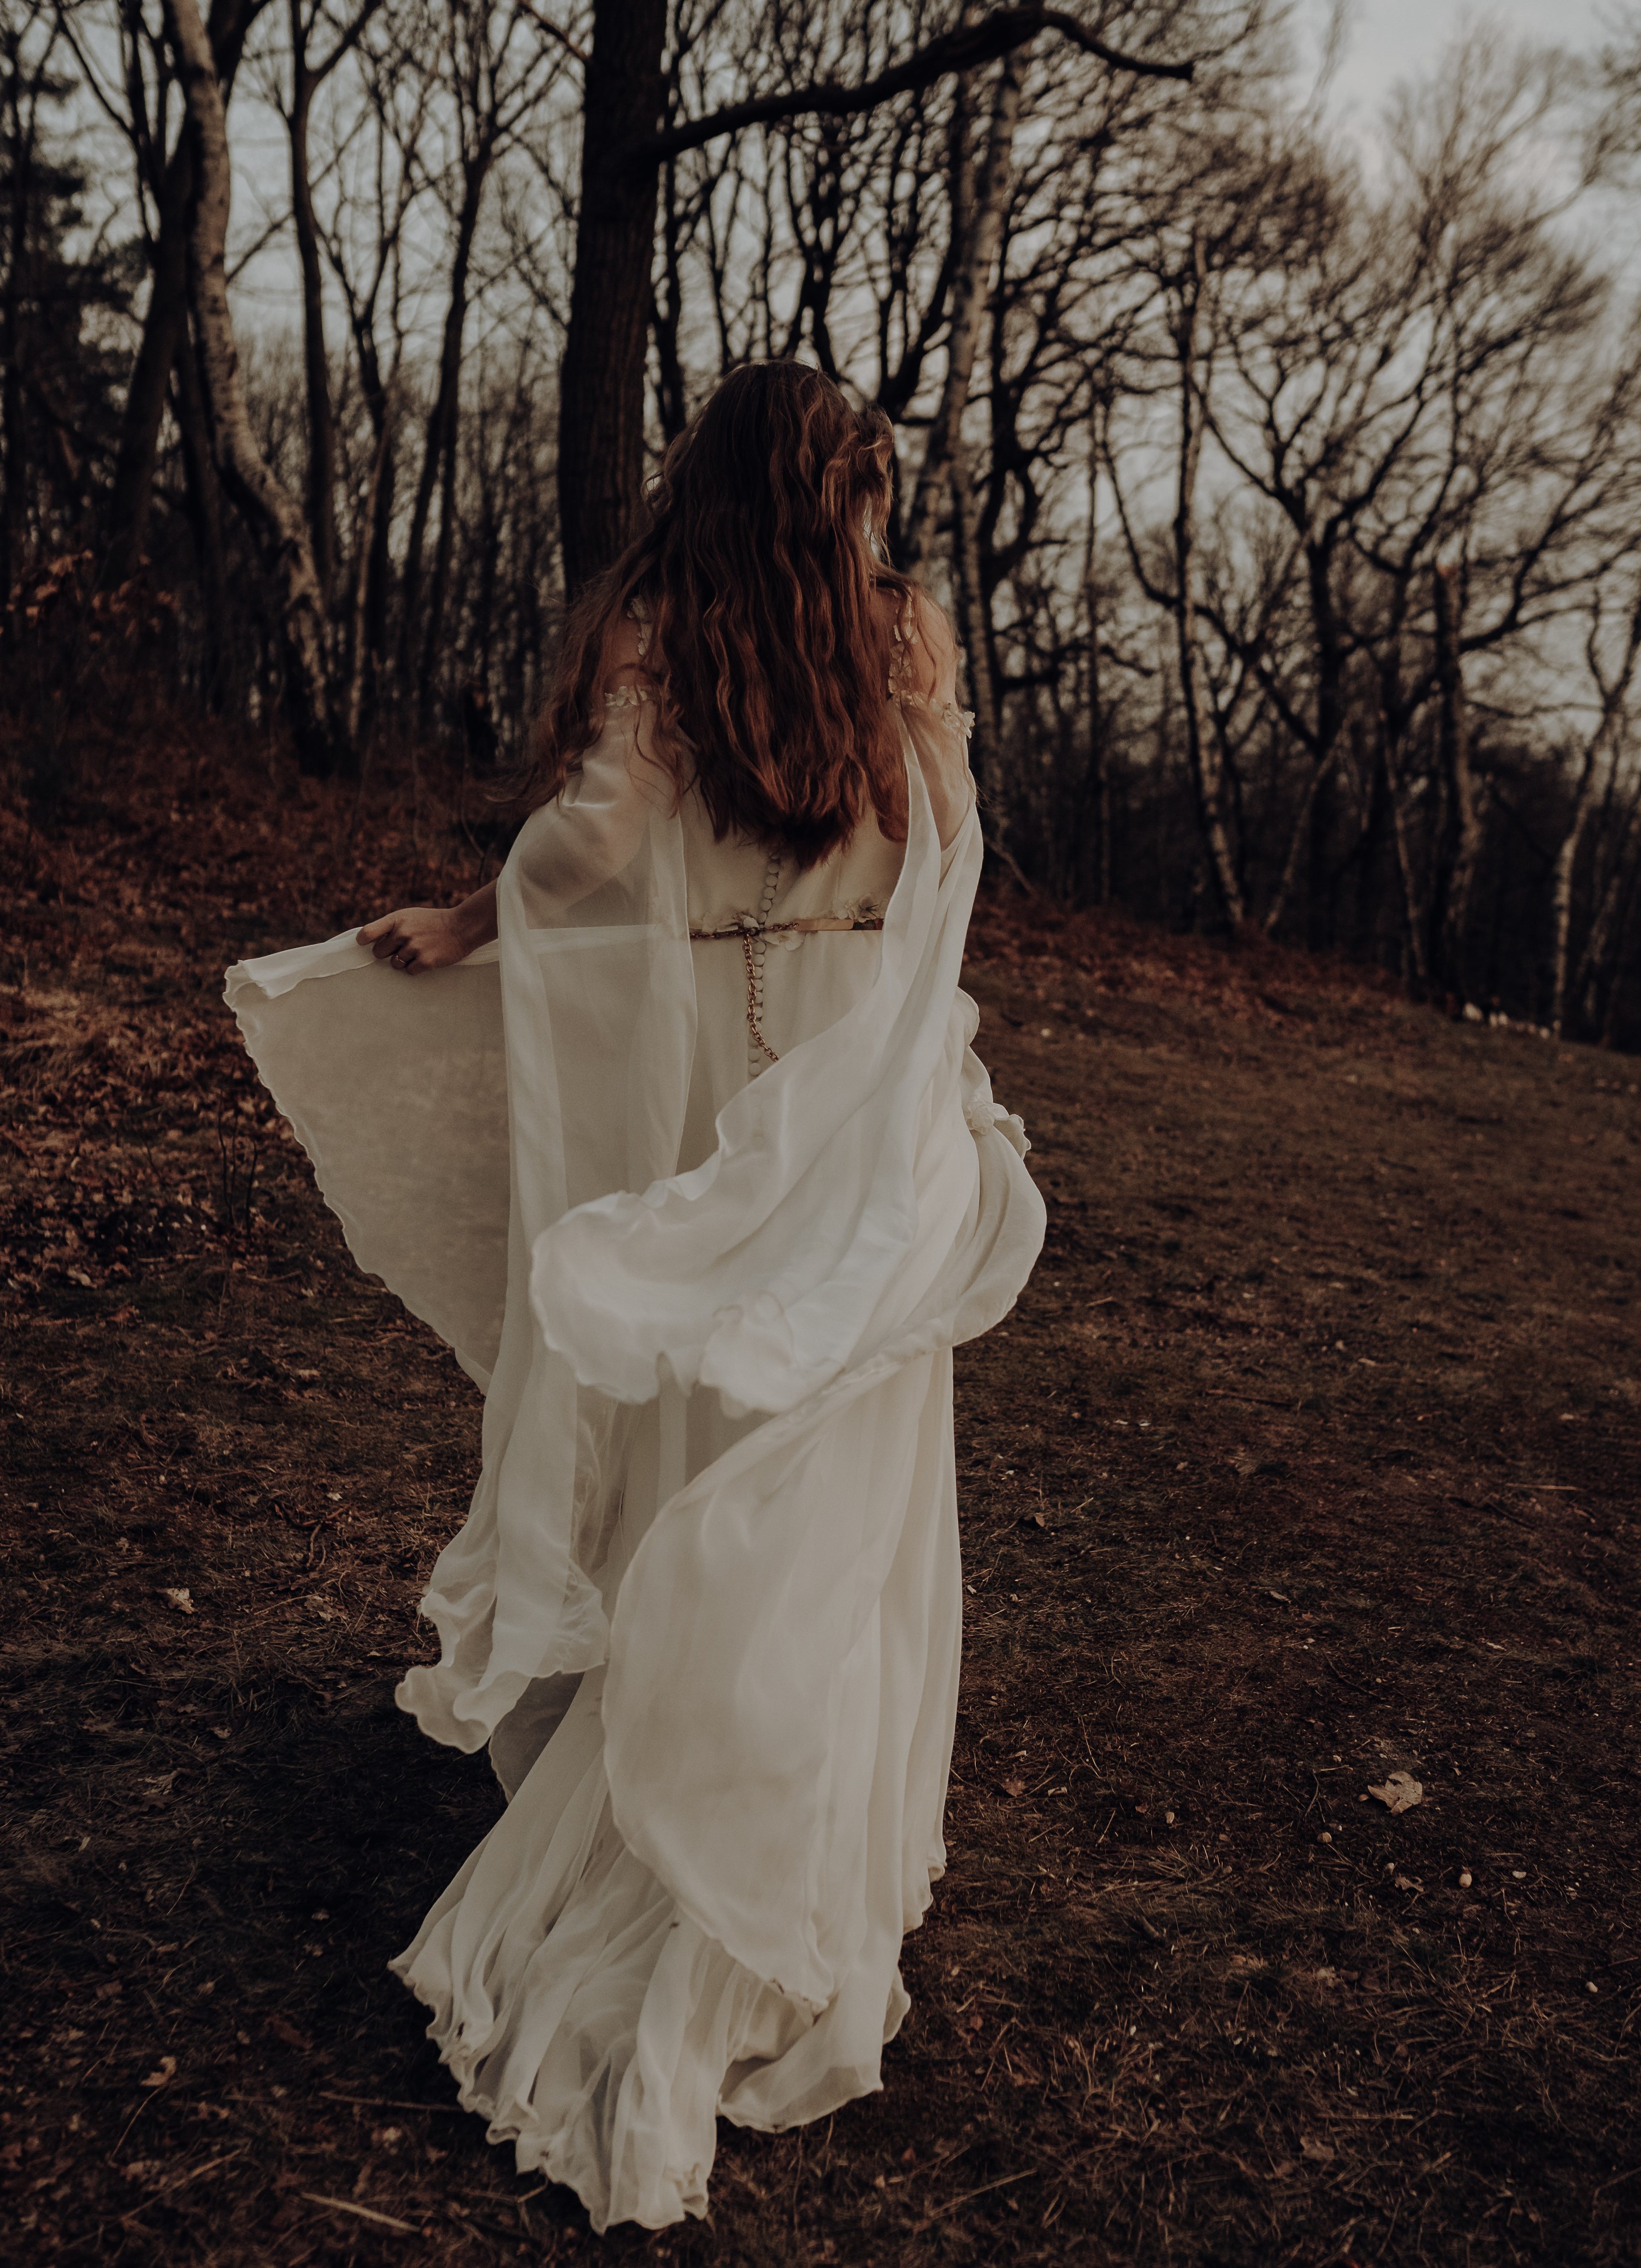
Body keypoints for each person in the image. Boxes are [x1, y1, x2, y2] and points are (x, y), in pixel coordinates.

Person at [225, 360, 1045, 2232]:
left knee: (700, 1428)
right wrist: (909, 1052)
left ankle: (678, 1755)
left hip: (712, 1093)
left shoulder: (660, 633)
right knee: (827, 1455)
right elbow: (944, 847)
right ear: (837, 491)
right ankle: (776, 1799)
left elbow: (584, 848)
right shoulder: (901, 632)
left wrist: (467, 920)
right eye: (862, 482)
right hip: (845, 1089)